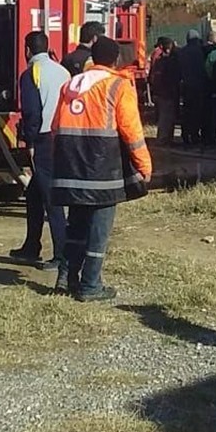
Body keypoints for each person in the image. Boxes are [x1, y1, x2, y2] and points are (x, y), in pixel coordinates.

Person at [51, 35, 152, 300]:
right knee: (99, 230)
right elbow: (131, 130)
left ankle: (65, 278)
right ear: (116, 59)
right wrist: (144, 165)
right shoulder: (118, 86)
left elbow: (54, 127)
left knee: (76, 225)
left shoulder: (71, 85)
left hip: (71, 165)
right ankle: (91, 286)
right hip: (102, 168)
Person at [10, 31, 70, 269]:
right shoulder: (63, 71)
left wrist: (31, 143)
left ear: (27, 50)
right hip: (63, 135)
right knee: (34, 193)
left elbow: (32, 113)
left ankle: (61, 255)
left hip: (44, 140)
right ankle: (31, 246)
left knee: (50, 197)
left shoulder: (30, 75)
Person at [178, 29, 208, 146]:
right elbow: (203, 69)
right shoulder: (199, 52)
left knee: (187, 111)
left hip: (186, 86)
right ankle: (195, 136)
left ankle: (185, 135)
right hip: (198, 86)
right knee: (197, 112)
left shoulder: (182, 52)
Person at [149, 37, 180, 146]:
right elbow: (172, 78)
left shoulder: (159, 60)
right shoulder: (169, 62)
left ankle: (165, 139)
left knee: (165, 116)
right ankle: (163, 139)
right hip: (167, 92)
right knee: (166, 116)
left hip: (160, 91)